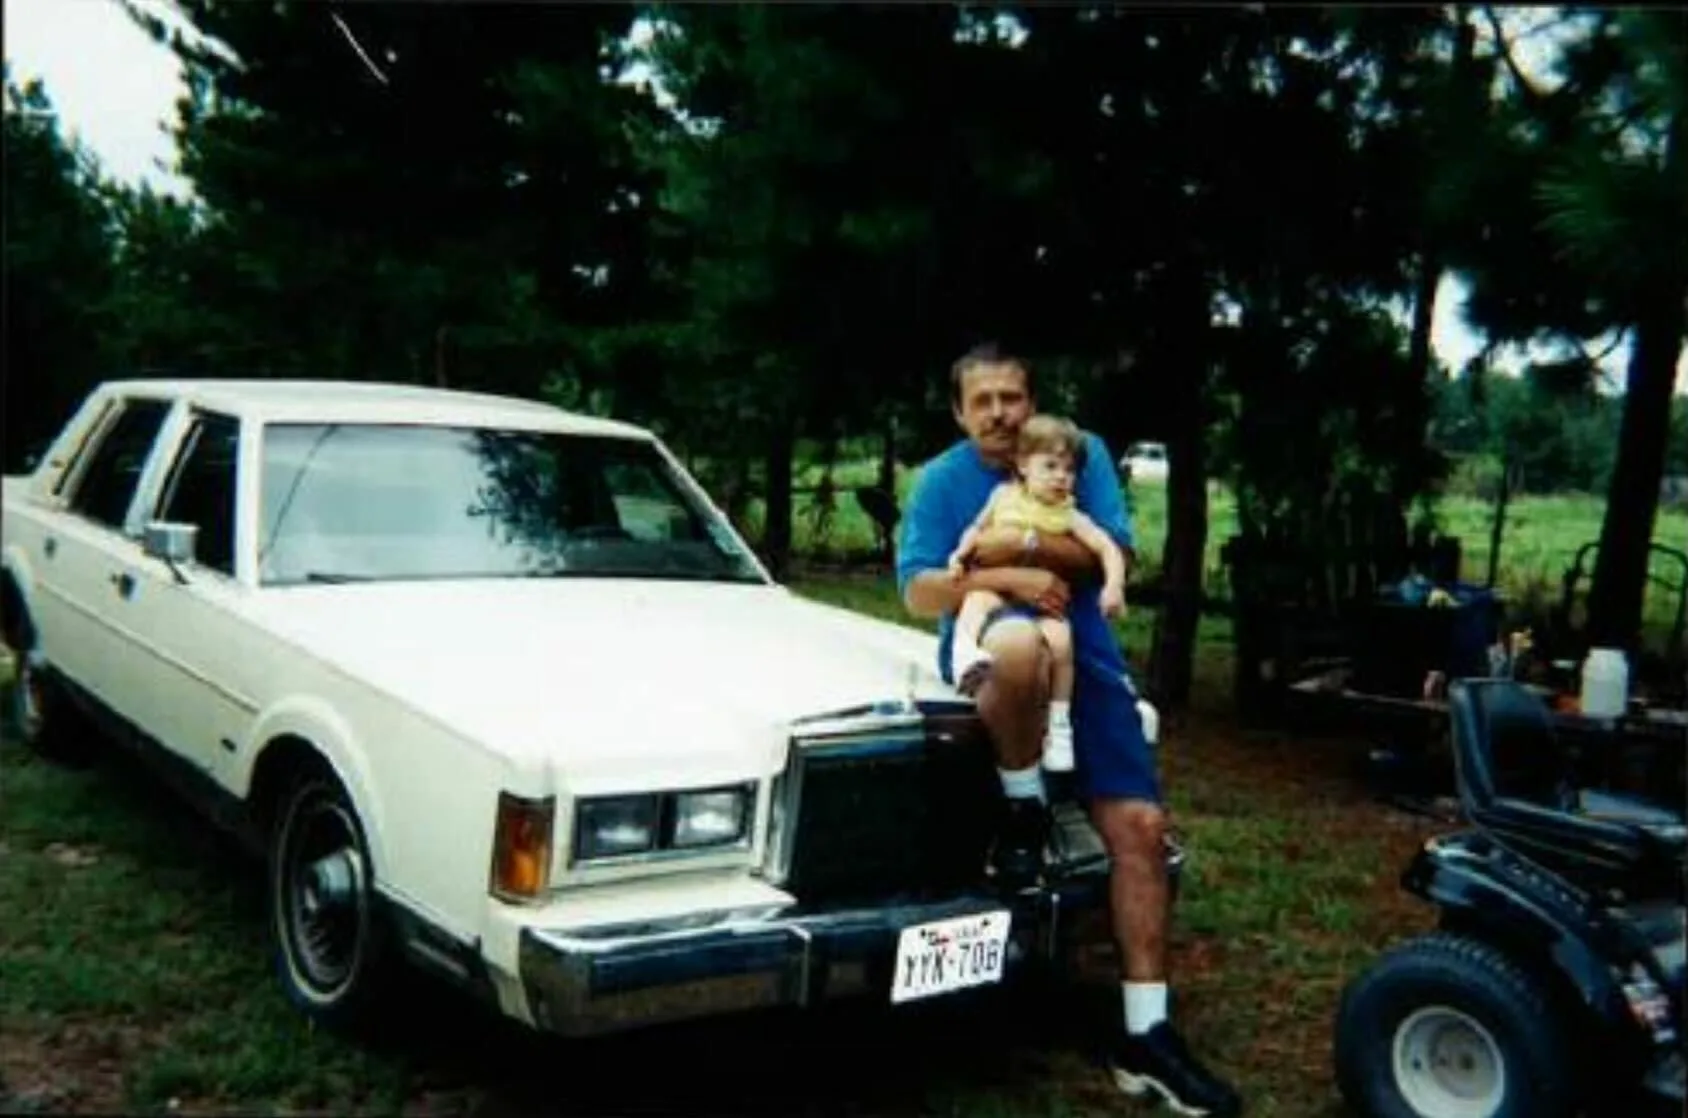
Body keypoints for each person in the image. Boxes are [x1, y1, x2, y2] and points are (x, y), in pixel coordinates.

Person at [896, 343, 1242, 1117]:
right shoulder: (943, 482)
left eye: (1010, 397)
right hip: (999, 663)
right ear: (959, 412)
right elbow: (921, 589)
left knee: (1144, 830)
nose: (998, 413)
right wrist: (1010, 575)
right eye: (980, 401)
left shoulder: (1073, 455)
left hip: (1088, 662)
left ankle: (1146, 1036)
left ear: (1030, 399)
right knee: (1017, 642)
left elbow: (1107, 553)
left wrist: (1010, 552)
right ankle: (1025, 806)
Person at [944, 414, 1128, 773]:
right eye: (1051, 466)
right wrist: (959, 554)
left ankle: (1059, 727)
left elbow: (1107, 548)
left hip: (1044, 604)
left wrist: (1114, 586)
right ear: (1023, 465)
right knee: (975, 602)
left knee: (1061, 643)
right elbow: (975, 528)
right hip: (999, 593)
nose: (1062, 476)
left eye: (1070, 469)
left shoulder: (1068, 514)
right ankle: (964, 656)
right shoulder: (1002, 497)